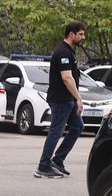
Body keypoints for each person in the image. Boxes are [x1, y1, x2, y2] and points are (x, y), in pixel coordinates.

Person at [36, 21, 87, 179]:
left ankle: (57, 161)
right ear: (71, 34)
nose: (83, 37)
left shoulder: (69, 51)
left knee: (78, 126)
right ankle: (43, 166)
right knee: (56, 131)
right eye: (80, 34)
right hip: (60, 99)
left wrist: (75, 98)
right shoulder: (62, 52)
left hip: (68, 99)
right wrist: (79, 98)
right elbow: (66, 78)